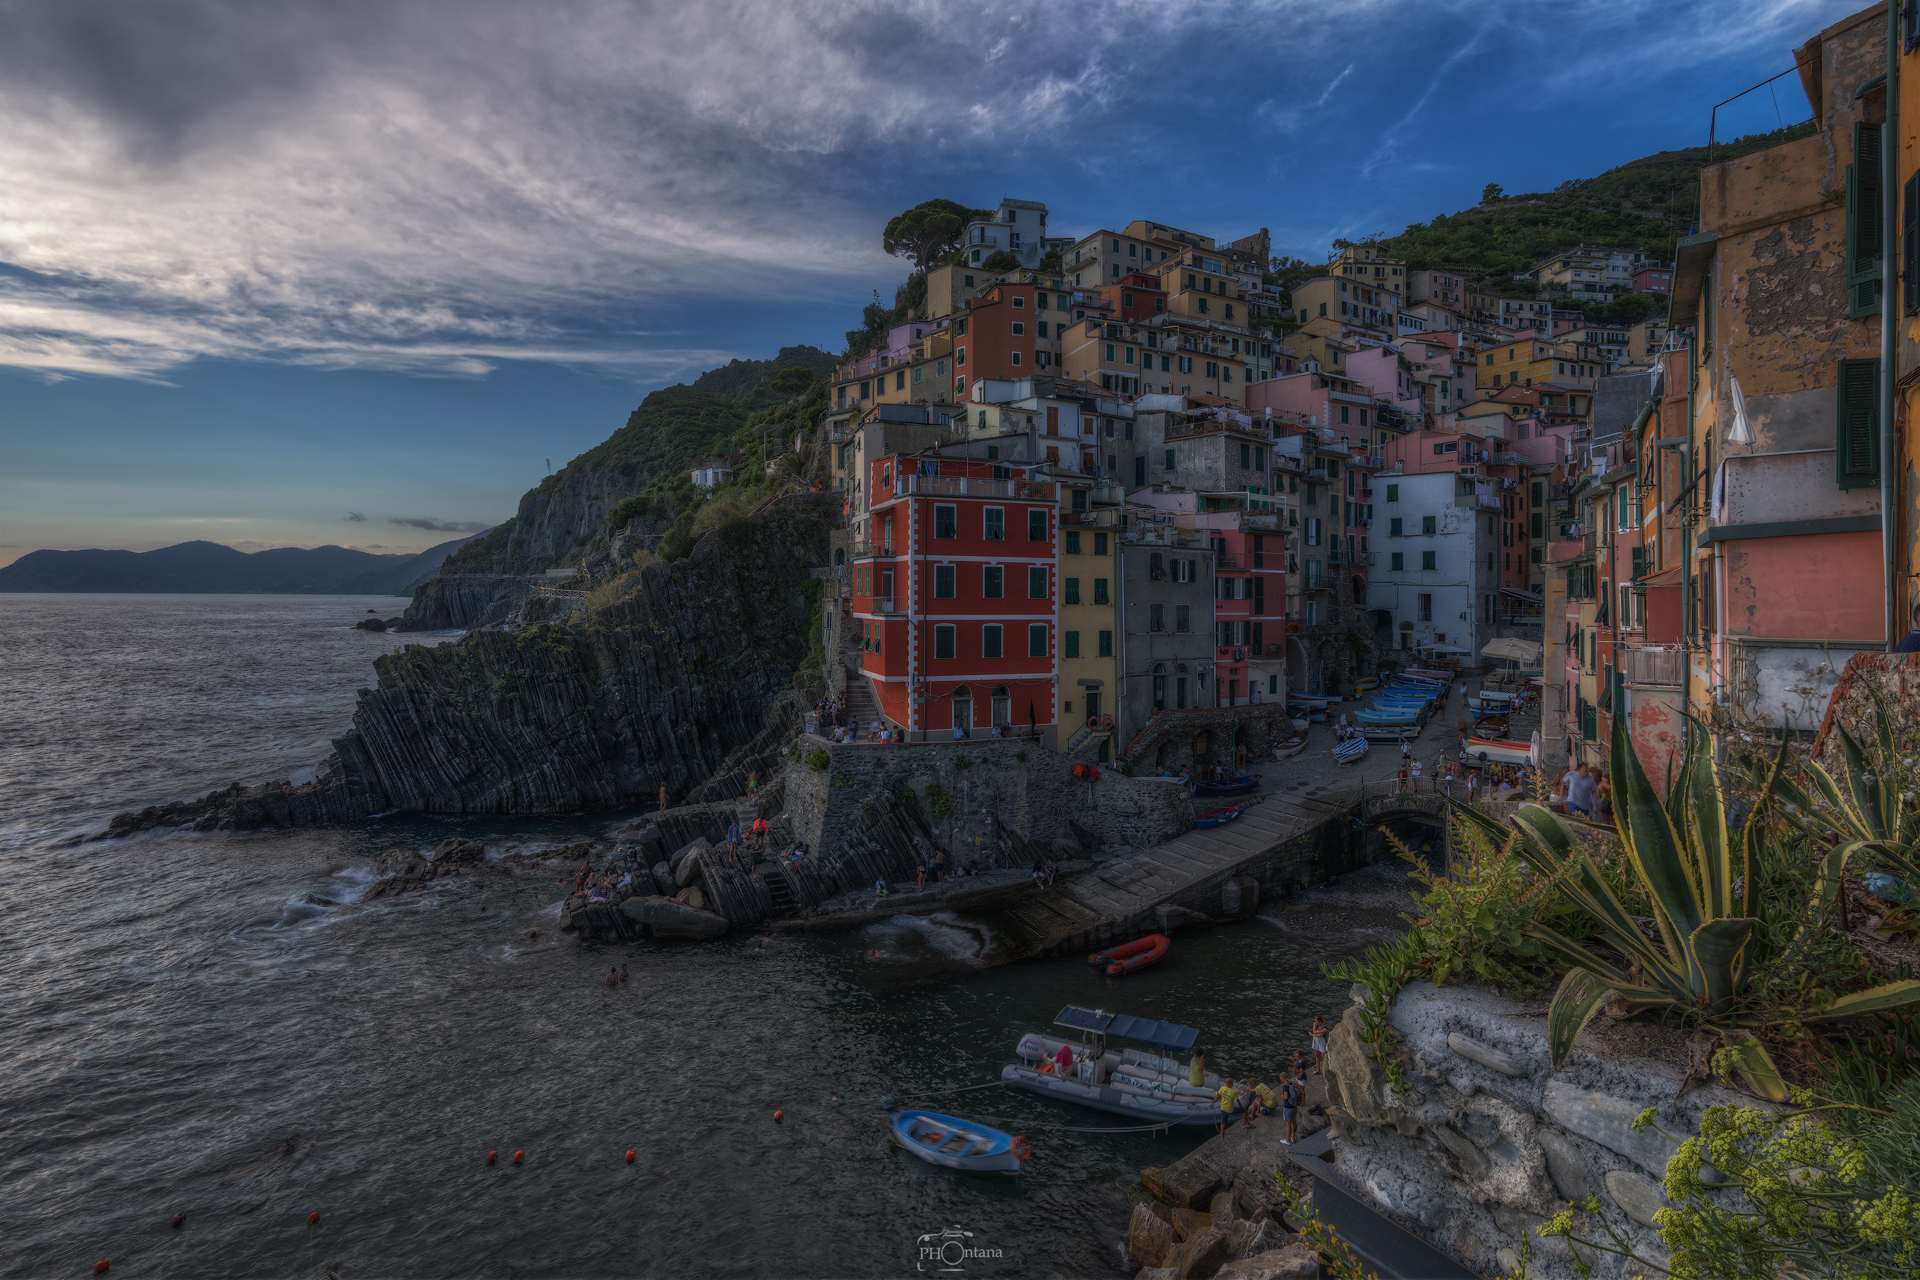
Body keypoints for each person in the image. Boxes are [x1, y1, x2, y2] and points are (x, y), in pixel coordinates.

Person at [1281, 1073, 1304, 1144]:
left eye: (1280, 1077)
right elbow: (1301, 1092)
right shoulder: (1292, 1083)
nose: (1280, 1079)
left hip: (1288, 1107)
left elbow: (1286, 1097)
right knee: (1294, 1122)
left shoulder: (1285, 1086)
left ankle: (1288, 1140)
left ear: (1283, 1078)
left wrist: (1282, 1096)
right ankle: (1293, 1137)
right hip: (1294, 1106)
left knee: (1288, 1125)